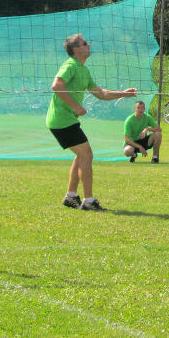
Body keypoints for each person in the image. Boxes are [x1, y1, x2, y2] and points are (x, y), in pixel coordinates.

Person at [47, 33, 136, 211]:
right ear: (76, 50)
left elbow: (100, 93)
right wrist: (75, 106)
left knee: (83, 155)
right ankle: (88, 201)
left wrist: (123, 94)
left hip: (66, 120)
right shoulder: (70, 65)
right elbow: (56, 85)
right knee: (86, 155)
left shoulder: (83, 69)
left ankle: (71, 196)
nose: (89, 46)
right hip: (61, 120)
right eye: (85, 43)